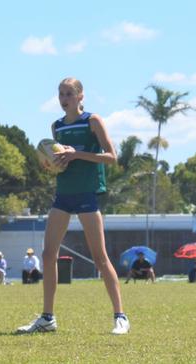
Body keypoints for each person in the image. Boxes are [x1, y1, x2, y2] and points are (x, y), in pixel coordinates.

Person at [17, 78, 129, 335]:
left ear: (80, 97)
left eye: (69, 93)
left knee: (100, 258)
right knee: (47, 255)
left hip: (87, 195)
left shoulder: (92, 121)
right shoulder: (56, 126)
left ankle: (120, 316)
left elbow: (111, 157)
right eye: (60, 93)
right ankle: (47, 318)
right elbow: (59, 163)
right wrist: (51, 164)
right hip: (63, 196)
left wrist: (75, 153)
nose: (63, 98)